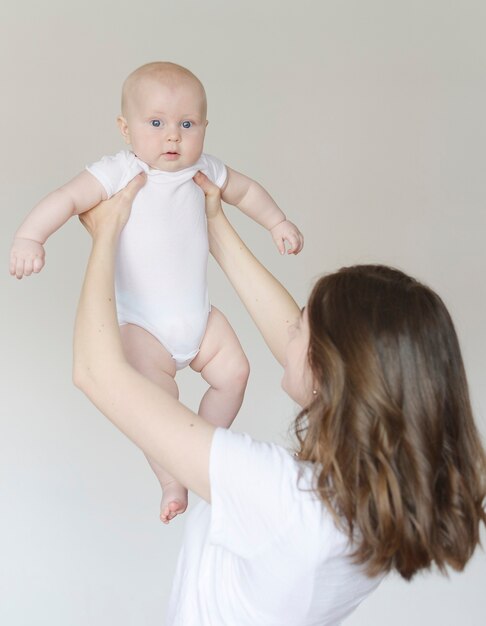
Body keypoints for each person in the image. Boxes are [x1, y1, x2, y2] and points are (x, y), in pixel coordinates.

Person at [73, 172, 486, 626]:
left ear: (330, 371)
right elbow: (300, 347)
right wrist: (212, 225)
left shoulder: (280, 496)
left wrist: (105, 236)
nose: (290, 330)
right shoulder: (367, 507)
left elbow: (98, 373)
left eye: (301, 325)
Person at [8, 61, 304, 523]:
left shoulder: (204, 170)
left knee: (237, 372)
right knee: (155, 403)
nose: (173, 137)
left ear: (205, 128)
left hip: (199, 319)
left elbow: (246, 193)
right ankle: (172, 477)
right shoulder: (119, 172)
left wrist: (277, 222)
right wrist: (30, 237)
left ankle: (200, 448)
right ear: (125, 129)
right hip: (143, 326)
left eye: (187, 124)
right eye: (157, 123)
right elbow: (66, 199)